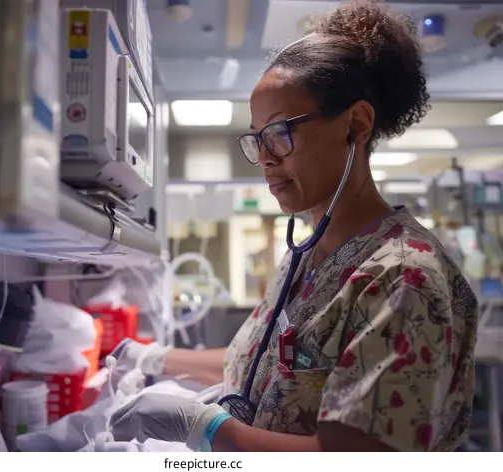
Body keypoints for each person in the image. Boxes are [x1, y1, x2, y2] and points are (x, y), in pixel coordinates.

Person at [109, 0, 478, 452]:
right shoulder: (304, 258)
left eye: (281, 132)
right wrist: (153, 358)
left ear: (356, 125)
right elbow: (258, 363)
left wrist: (206, 429)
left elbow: (359, 458)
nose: (264, 157)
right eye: (257, 138)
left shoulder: (403, 278)